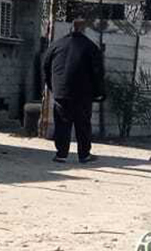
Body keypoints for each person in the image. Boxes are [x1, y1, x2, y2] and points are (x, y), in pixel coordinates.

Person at [41, 18, 106, 164]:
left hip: (61, 92)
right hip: (83, 93)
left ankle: (61, 154)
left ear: (71, 28)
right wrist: (99, 92)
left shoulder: (56, 45)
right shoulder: (90, 47)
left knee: (62, 124)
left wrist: (52, 86)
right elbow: (98, 72)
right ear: (84, 30)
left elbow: (45, 66)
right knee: (82, 124)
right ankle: (84, 155)